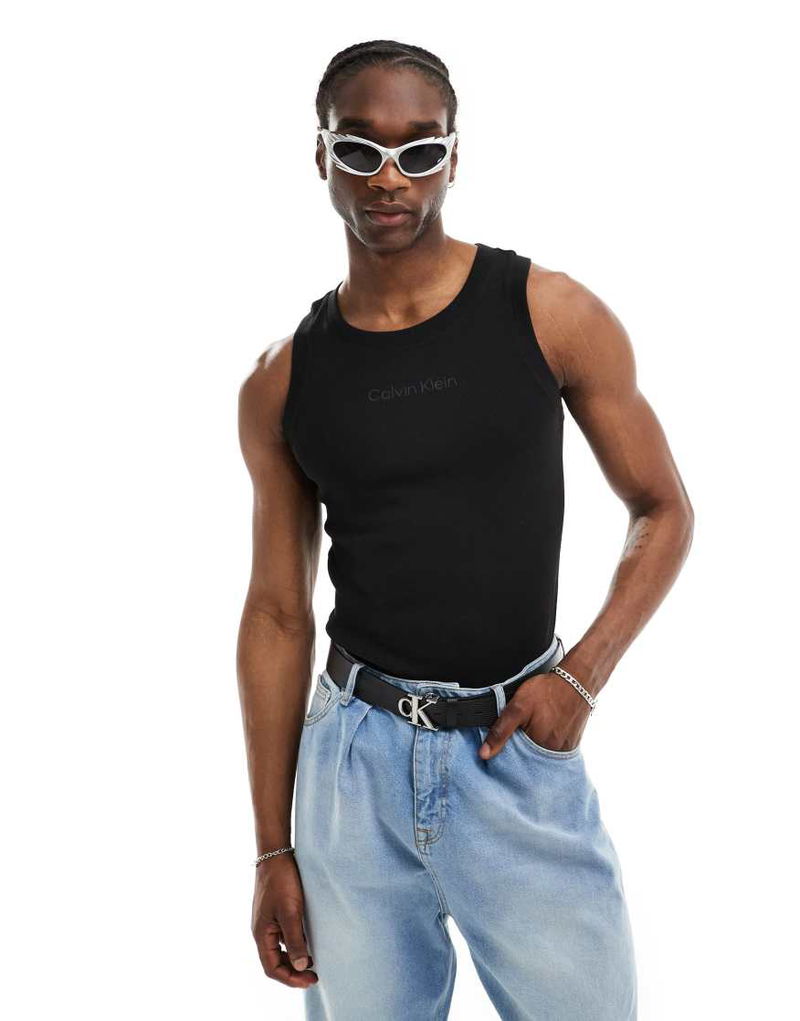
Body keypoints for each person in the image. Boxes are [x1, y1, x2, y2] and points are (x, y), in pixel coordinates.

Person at [237, 39, 693, 1021]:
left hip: (512, 750)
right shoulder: (282, 379)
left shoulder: (548, 313)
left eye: (418, 149)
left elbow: (662, 507)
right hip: (349, 772)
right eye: (359, 149)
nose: (388, 177)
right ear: (320, 156)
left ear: (452, 156)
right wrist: (273, 845)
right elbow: (276, 613)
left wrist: (578, 679)